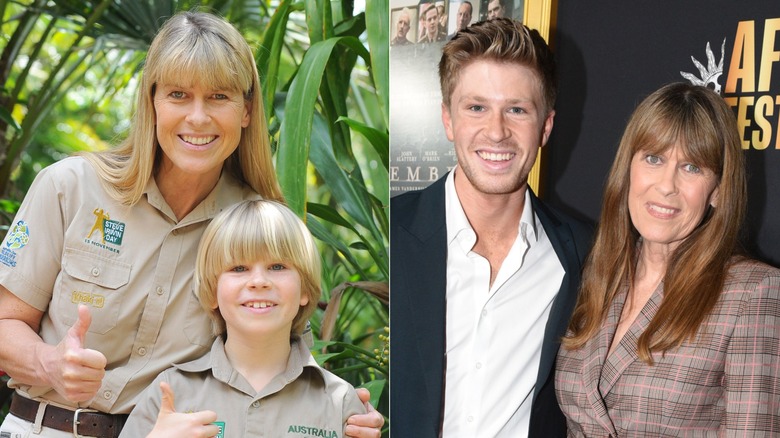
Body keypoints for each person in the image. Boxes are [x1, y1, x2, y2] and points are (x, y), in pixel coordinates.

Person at [0, 11, 382, 438]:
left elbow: (284, 365)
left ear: (246, 110)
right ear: (152, 102)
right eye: (179, 95)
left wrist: (341, 415)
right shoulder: (69, 187)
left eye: (219, 96)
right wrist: (49, 364)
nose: (198, 118)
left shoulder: (256, 226)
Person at [390, 18, 592, 437]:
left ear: (546, 127)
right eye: (476, 108)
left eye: (517, 110)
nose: (497, 132)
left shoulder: (582, 253)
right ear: (448, 120)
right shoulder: (393, 232)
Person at [556, 82, 780, 436]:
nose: (666, 185)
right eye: (653, 159)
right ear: (628, 168)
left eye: (691, 167)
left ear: (718, 190)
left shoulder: (752, 293)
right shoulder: (598, 274)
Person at [120, 200, 366, 437]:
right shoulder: (172, 393)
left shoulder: (341, 403)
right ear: (213, 292)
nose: (259, 281)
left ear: (305, 289)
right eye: (239, 268)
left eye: (277, 266)